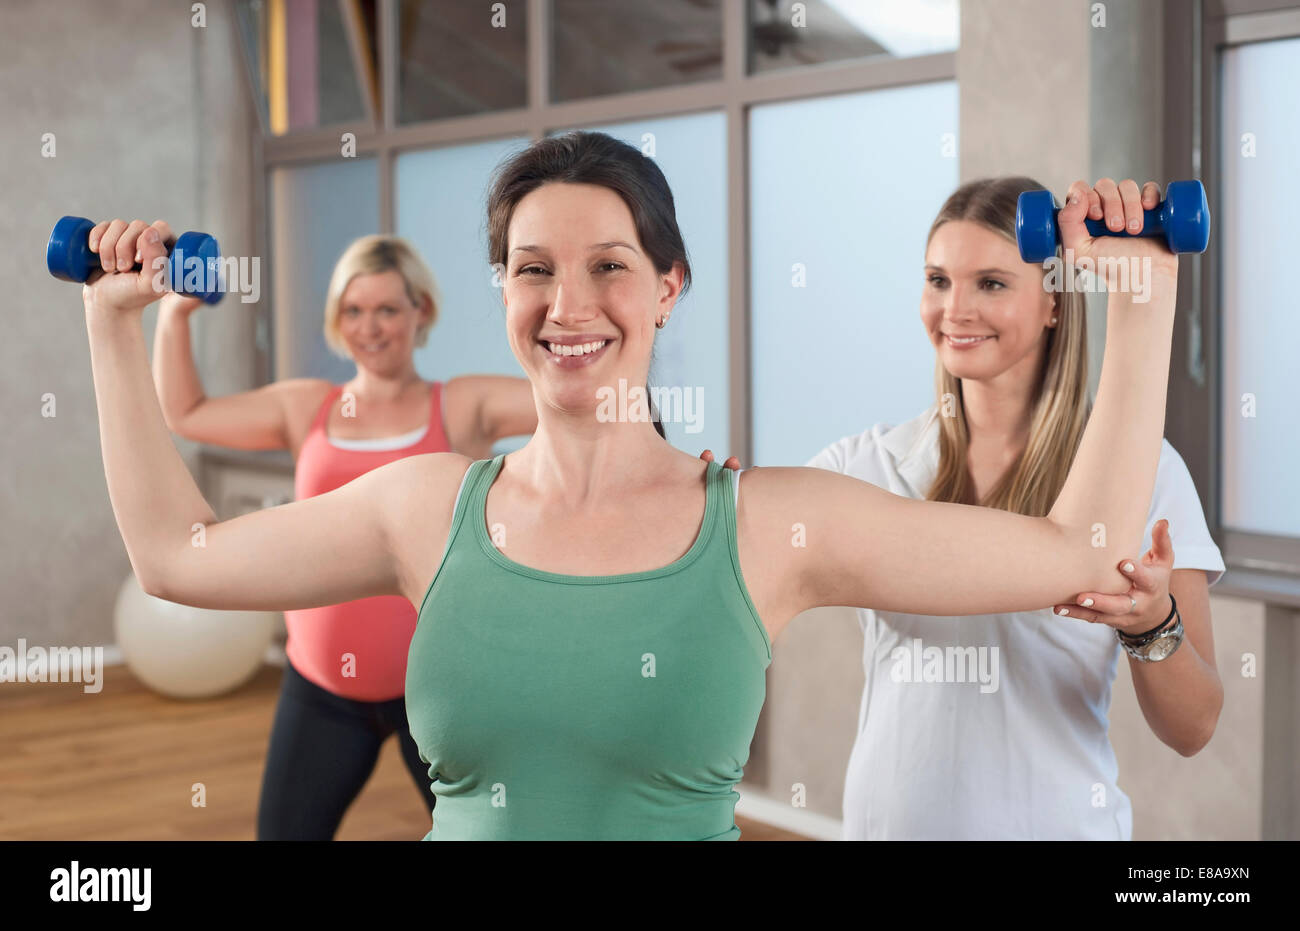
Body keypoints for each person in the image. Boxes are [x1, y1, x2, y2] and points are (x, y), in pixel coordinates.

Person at [83, 131, 1185, 840]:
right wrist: (112, 325)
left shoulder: (767, 523)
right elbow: (177, 557)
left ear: (668, 286)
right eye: (532, 267)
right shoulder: (424, 506)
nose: (568, 303)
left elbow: (1080, 550)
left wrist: (1138, 306)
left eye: (608, 263)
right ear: (499, 289)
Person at [736, 176, 1223, 839]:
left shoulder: (1143, 471)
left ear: (1055, 303)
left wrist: (1151, 622)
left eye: (990, 283)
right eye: (938, 280)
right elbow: (755, 547)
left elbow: (1193, 727)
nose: (954, 308)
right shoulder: (865, 463)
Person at [150, 234, 538, 839]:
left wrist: (687, 478)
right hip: (322, 688)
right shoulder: (307, 407)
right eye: (354, 311)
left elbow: (594, 404)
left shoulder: (462, 405)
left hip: (440, 691)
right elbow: (186, 412)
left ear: (421, 312)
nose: (371, 327)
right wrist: (176, 310)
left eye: (387, 309)